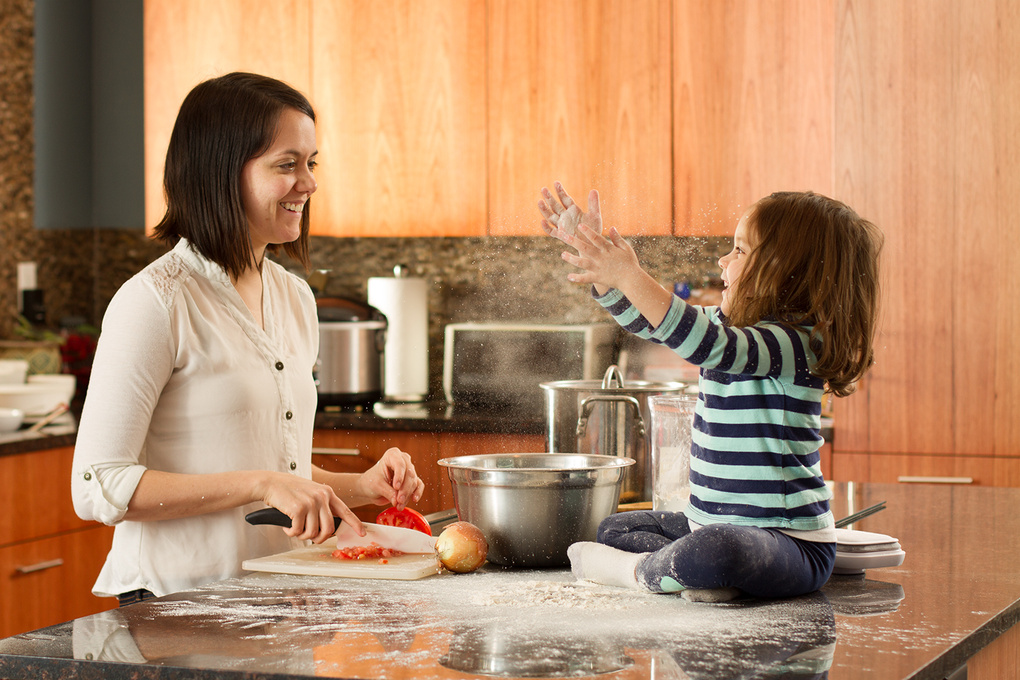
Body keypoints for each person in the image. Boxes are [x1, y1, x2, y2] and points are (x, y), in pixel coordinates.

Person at [71, 72, 424, 604]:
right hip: (177, 604)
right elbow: (98, 486)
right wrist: (261, 484)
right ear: (221, 173)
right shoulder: (156, 301)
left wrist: (361, 485)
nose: (308, 183)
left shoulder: (295, 298)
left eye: (311, 163)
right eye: (287, 165)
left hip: (284, 594)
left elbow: (274, 467)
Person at [538, 182, 882, 601]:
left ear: (785, 267)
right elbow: (650, 322)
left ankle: (639, 573)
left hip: (788, 543)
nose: (723, 260)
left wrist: (630, 272)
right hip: (705, 525)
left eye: (738, 251)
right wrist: (600, 265)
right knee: (616, 527)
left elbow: (702, 342)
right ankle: (704, 574)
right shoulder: (729, 328)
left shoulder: (797, 344)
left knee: (722, 548)